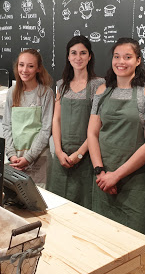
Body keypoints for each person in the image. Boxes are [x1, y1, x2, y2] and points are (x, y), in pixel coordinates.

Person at [87, 37, 145, 237]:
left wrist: (116, 176)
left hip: (135, 186)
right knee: (102, 243)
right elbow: (92, 133)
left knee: (134, 247)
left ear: (138, 61)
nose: (121, 62)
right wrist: (100, 172)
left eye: (128, 57)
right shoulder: (103, 91)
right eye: (117, 57)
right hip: (102, 182)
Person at [46, 35, 104, 209]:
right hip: (62, 157)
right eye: (74, 53)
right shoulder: (62, 85)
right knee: (57, 205)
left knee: (83, 207)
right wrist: (58, 150)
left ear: (90, 56)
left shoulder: (98, 85)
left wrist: (79, 154)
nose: (78, 57)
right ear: (68, 56)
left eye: (83, 53)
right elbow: (56, 119)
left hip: (86, 157)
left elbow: (99, 125)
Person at [2, 49, 54, 187]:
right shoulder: (11, 93)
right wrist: (12, 155)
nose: (24, 70)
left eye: (30, 66)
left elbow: (46, 130)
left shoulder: (46, 93)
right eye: (21, 65)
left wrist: (28, 157)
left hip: (38, 158)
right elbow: (7, 126)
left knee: (37, 200)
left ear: (38, 69)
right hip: (15, 158)